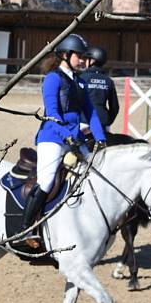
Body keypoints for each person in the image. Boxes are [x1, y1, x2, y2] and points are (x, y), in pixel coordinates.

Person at [20, 33, 107, 247]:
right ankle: (26, 228)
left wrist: (101, 138)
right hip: (52, 137)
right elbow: (52, 112)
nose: (84, 60)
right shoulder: (53, 78)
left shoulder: (79, 82)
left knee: (95, 171)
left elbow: (93, 113)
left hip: (74, 137)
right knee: (47, 180)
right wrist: (66, 135)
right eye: (80, 56)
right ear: (66, 55)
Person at [79, 46, 119, 132]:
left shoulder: (81, 78)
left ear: (92, 61)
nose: (84, 62)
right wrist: (108, 121)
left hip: (84, 121)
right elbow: (115, 107)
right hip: (103, 123)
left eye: (87, 59)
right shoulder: (108, 81)